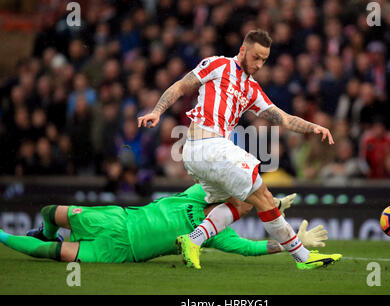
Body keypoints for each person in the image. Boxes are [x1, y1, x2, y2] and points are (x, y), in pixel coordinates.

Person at [137, 29, 341, 270]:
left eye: (264, 59)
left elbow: (282, 118)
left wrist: (313, 127)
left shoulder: (252, 89)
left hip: (202, 156)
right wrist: (158, 110)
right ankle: (303, 258)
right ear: (243, 50)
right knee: (264, 196)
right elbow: (182, 86)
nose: (259, 64)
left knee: (243, 203)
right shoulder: (218, 65)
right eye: (256, 57)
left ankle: (193, 240)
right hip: (207, 145)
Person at [0, 184, 329, 264]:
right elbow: (249, 190)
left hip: (121, 250)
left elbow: (251, 248)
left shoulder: (214, 235)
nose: (240, 210)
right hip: (117, 217)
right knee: (50, 210)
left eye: (244, 210)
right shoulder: (196, 196)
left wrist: (291, 244)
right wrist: (275, 203)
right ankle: (43, 228)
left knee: (50, 254)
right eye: (239, 205)